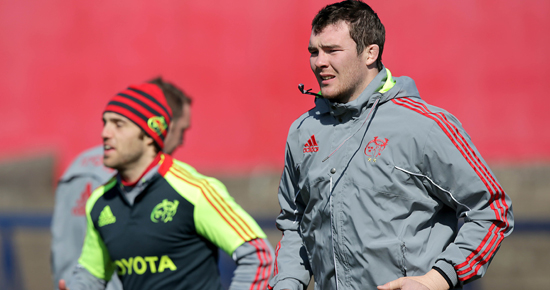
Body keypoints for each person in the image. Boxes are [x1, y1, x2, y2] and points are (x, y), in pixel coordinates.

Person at [268, 1, 513, 290]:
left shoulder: (426, 125)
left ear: (370, 52)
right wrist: (286, 283)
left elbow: (492, 210)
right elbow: (294, 224)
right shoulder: (302, 131)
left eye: (332, 50)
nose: (319, 62)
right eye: (314, 51)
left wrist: (436, 280)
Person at [56, 81, 273, 290]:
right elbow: (92, 273)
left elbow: (259, 256)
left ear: (151, 133)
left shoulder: (194, 190)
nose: (105, 133)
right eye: (105, 123)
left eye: (118, 125)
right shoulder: (100, 200)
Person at [51, 77, 191, 290]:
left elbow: (59, 248)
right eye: (182, 130)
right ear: (163, 125)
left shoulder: (76, 167)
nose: (181, 141)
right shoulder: (134, 177)